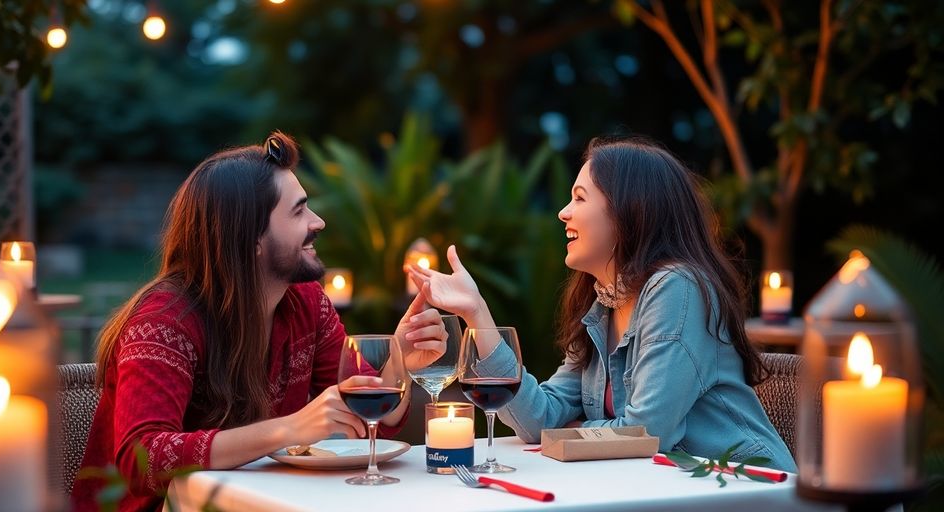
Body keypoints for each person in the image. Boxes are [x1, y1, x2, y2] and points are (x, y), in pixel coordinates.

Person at [72, 132, 447, 511]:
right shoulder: (164, 321)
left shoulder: (306, 302)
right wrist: (288, 429)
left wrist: (401, 359)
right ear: (249, 237)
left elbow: (366, 421)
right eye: (298, 211)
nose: (318, 222)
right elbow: (143, 459)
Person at [408, 136, 796, 471]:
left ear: (631, 209)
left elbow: (648, 432)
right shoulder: (604, 307)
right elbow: (537, 419)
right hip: (666, 489)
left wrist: (566, 434)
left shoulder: (676, 288)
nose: (564, 212)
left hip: (743, 487)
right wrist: (477, 311)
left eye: (580, 197)